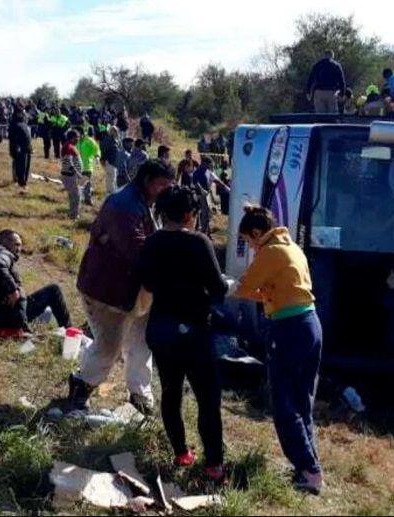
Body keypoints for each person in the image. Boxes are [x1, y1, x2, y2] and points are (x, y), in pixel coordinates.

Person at [65, 160, 176, 415]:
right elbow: (138, 251)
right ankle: (82, 384)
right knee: (109, 346)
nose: (165, 191)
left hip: (133, 289)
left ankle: (139, 394)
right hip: (108, 290)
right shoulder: (124, 206)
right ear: (147, 180)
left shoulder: (145, 201)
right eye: (162, 185)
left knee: (140, 343)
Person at [232, 205, 324, 494]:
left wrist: (235, 288)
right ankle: (309, 466)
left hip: (288, 328)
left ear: (257, 233)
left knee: (284, 402)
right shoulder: (292, 247)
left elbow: (244, 287)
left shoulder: (270, 252)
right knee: (301, 400)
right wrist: (267, 293)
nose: (250, 248)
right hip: (310, 323)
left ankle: (309, 470)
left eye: (248, 242)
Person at [138, 185, 227, 482]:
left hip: (161, 328)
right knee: (207, 397)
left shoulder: (152, 242)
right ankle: (214, 464)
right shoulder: (199, 242)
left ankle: (181, 453)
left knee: (171, 391)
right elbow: (217, 288)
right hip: (194, 331)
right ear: (190, 214)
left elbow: (148, 284)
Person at [0, 230, 71, 335]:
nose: (19, 249)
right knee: (53, 290)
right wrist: (13, 290)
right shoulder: (1, 252)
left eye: (20, 245)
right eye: (16, 244)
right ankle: (70, 331)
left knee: (46, 312)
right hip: (0, 316)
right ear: (3, 242)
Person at [192, 157, 230, 235]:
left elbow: (217, 181)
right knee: (202, 213)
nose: (210, 165)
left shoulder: (206, 172)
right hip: (200, 195)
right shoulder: (199, 172)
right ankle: (201, 231)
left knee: (205, 213)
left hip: (203, 195)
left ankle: (204, 230)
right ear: (204, 163)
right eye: (209, 164)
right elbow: (196, 183)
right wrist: (202, 190)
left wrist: (226, 188)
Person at [306, 50, 346, 114]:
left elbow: (310, 79)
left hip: (319, 92)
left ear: (324, 56)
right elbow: (341, 81)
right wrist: (342, 94)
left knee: (320, 115)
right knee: (332, 115)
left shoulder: (317, 65)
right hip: (331, 92)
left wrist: (308, 92)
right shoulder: (336, 65)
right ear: (332, 56)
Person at [61, 130, 84, 220]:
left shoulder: (70, 146)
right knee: (76, 196)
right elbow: (69, 163)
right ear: (72, 138)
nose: (78, 139)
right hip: (70, 176)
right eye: (77, 137)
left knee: (73, 196)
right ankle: (74, 216)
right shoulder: (68, 147)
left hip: (71, 175)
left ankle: (72, 214)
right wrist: (78, 174)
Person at [8, 111, 33, 188]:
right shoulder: (14, 125)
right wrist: (13, 150)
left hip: (27, 148)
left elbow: (28, 137)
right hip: (20, 148)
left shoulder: (25, 125)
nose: (25, 116)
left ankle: (23, 181)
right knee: (21, 166)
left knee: (26, 166)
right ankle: (21, 182)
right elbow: (12, 139)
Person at [77, 127, 101, 206]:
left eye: (77, 134)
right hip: (78, 166)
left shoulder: (89, 140)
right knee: (82, 184)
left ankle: (86, 200)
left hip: (87, 166)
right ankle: (82, 200)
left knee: (85, 184)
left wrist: (97, 157)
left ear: (82, 133)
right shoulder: (76, 141)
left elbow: (96, 149)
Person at [99, 126, 121, 196]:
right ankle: (111, 193)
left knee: (111, 178)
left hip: (114, 162)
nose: (117, 133)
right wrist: (103, 159)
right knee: (111, 178)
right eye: (115, 131)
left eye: (117, 131)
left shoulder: (116, 140)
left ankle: (110, 192)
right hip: (109, 161)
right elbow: (103, 150)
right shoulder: (108, 140)